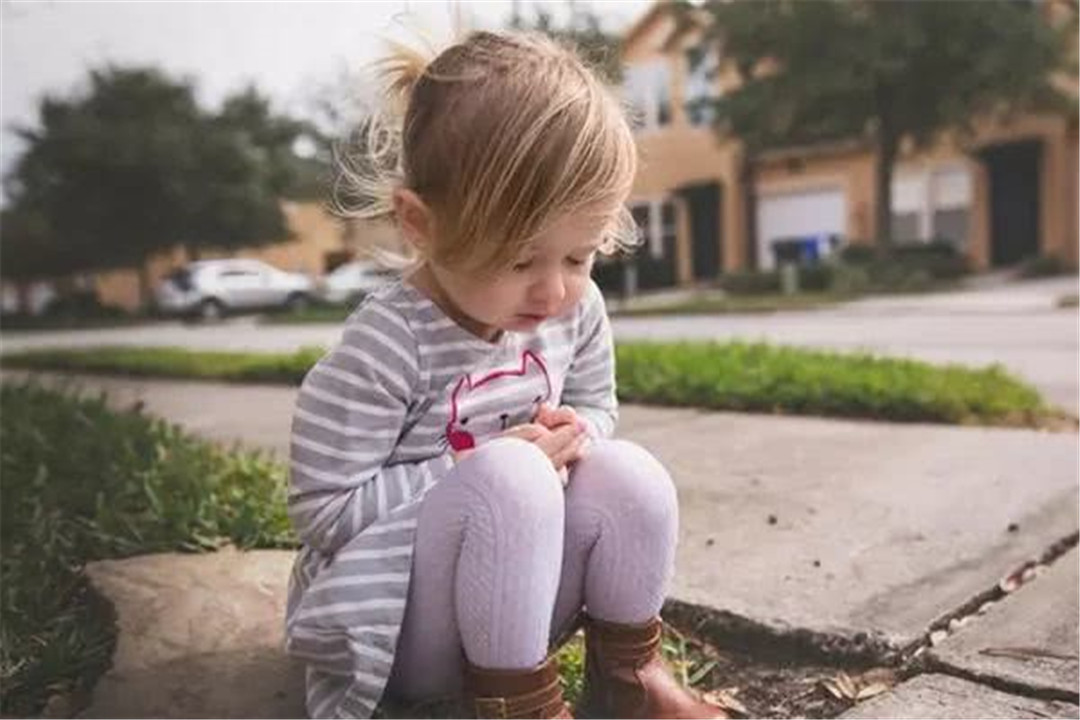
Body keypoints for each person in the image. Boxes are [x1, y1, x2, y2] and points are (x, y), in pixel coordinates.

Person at [284, 29, 727, 720]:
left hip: (515, 605)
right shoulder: (386, 344)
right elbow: (324, 511)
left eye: (580, 257)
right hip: (399, 629)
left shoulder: (573, 313)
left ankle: (630, 680)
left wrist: (577, 432)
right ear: (420, 224)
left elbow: (595, 404)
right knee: (510, 479)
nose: (553, 292)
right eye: (520, 261)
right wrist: (483, 465)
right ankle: (513, 710)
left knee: (630, 472)